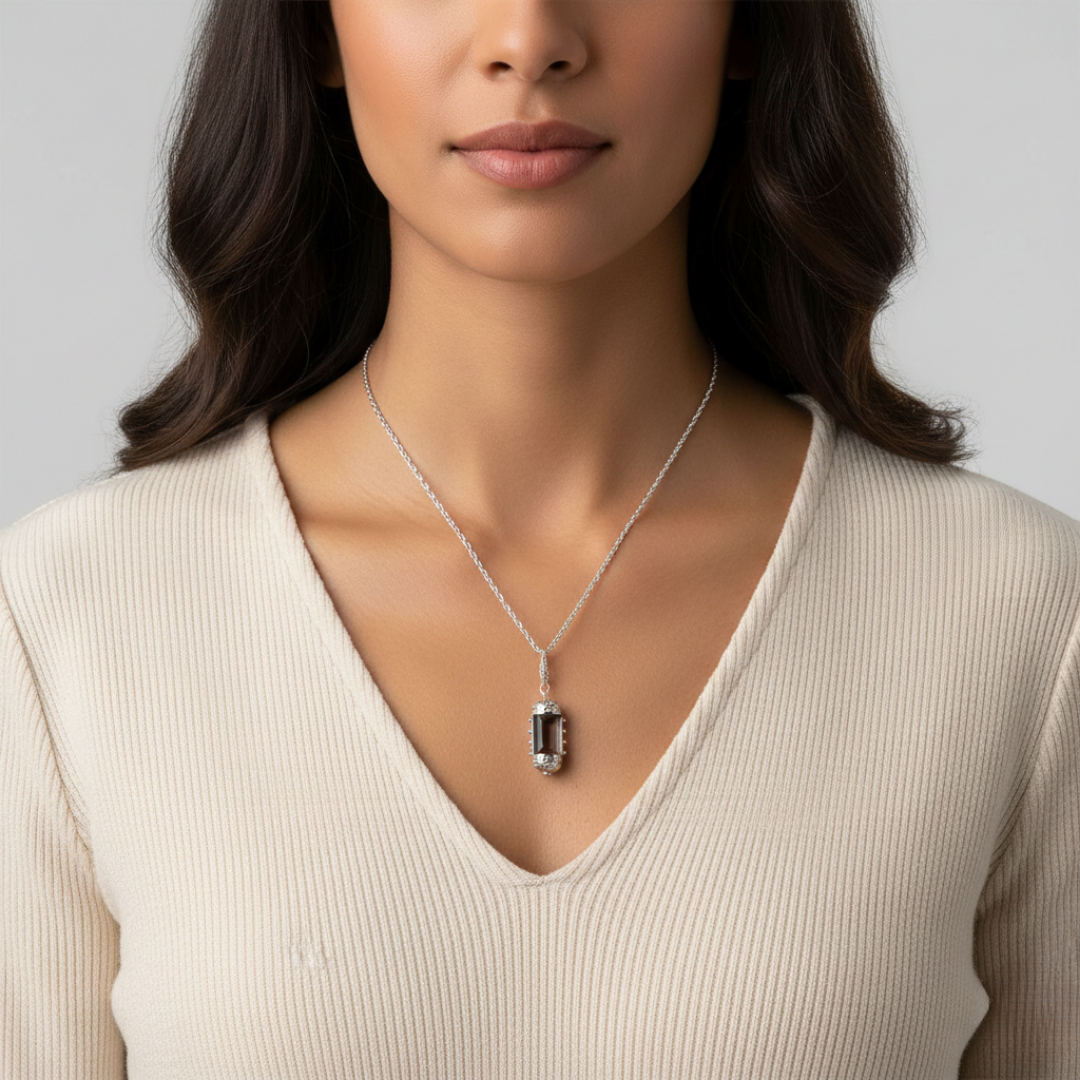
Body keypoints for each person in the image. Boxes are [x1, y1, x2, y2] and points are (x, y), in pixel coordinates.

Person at [2, 0, 1076, 1076]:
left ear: (748, 23)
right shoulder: (67, 619)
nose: (530, 37)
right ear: (315, 33)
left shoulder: (1020, 615)